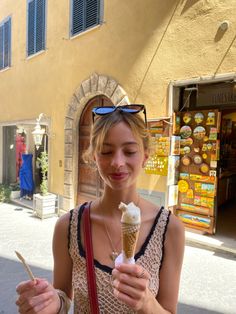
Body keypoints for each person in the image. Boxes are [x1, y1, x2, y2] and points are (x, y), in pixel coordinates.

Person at [16, 104, 185, 313]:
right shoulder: (68, 226)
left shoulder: (170, 230)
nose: (117, 162)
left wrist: (147, 303)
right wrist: (51, 302)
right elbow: (63, 296)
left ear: (146, 156)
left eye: (130, 151)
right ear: (94, 157)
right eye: (106, 151)